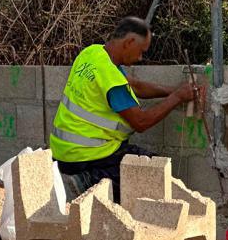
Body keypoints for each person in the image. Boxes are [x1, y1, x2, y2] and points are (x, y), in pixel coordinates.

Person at [49, 16, 202, 202]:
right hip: (86, 157)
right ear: (129, 42)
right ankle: (86, 183)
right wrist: (177, 97)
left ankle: (91, 182)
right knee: (150, 172)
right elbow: (141, 122)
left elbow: (135, 86)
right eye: (140, 51)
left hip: (63, 152)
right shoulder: (111, 79)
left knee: (138, 164)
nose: (140, 58)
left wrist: (174, 90)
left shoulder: (92, 54)